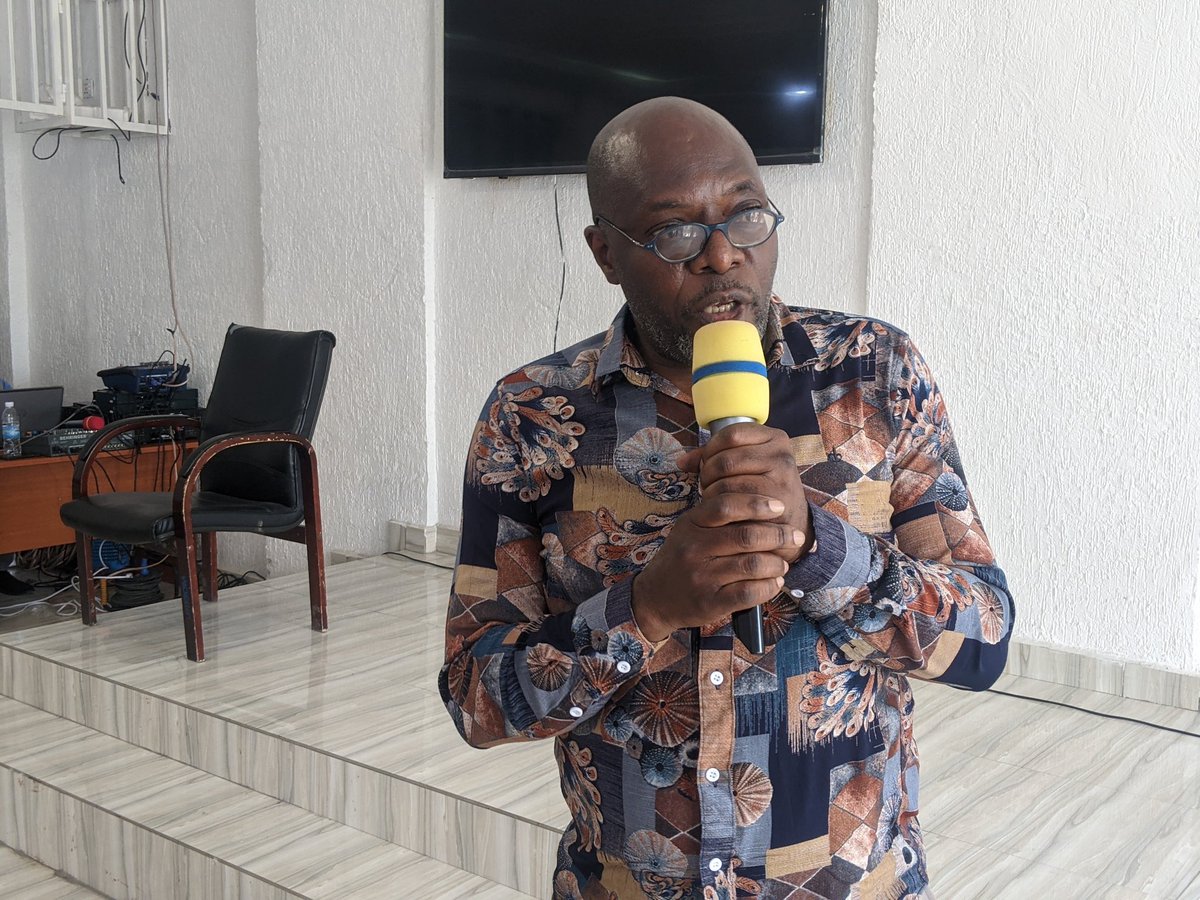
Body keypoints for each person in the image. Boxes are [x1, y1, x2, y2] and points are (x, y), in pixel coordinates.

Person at [439, 97, 1013, 900]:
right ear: (605, 253)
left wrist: (819, 544)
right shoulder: (532, 416)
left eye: (747, 218)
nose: (721, 257)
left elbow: (984, 640)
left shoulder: (873, 373)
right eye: (675, 232)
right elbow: (476, 700)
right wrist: (647, 606)